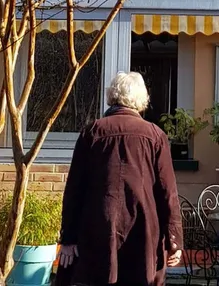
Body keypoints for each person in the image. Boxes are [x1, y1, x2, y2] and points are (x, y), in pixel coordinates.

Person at [58, 71, 182, 286]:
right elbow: (167, 192)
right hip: (143, 229)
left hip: (98, 226)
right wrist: (174, 240)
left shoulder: (93, 132)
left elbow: (74, 189)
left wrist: (68, 238)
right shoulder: (155, 135)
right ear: (141, 100)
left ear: (112, 96)